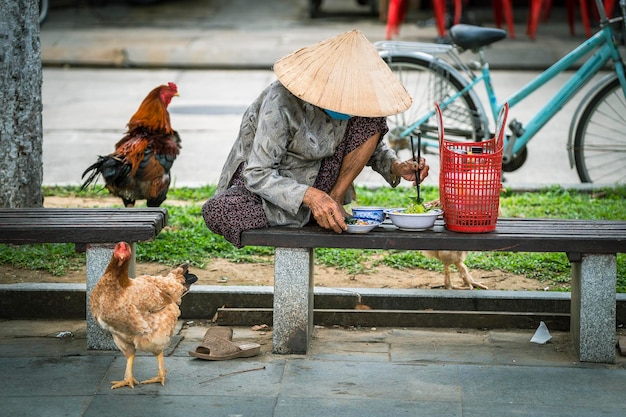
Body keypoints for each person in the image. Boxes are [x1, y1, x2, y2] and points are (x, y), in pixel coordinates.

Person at [203, 30, 430, 248]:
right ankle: (312, 212)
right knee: (220, 211)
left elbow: (368, 144)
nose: (349, 106)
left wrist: (395, 165)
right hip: (267, 189)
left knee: (372, 121)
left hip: (324, 183)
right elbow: (257, 173)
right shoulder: (281, 102)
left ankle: (334, 201)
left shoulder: (358, 102)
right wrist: (309, 197)